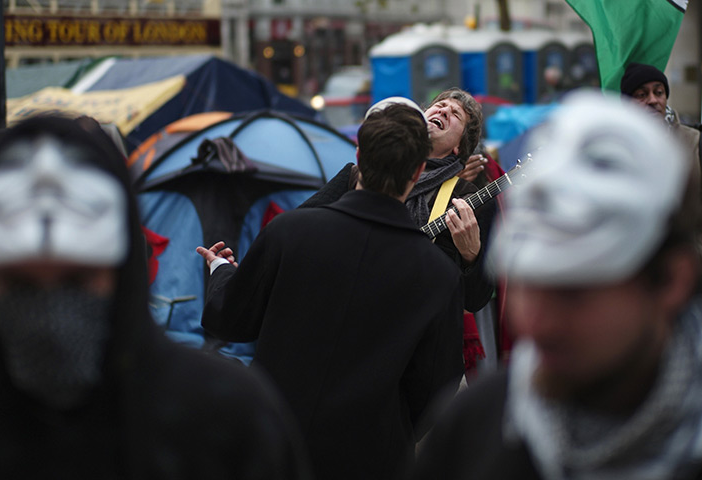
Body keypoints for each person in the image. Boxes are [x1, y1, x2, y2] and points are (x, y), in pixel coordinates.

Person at [0, 115, 311, 479]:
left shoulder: (223, 413)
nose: (50, 314)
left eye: (78, 278)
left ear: (123, 269)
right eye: (19, 283)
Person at [411, 91, 702, 479]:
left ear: (671, 281)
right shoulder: (472, 425)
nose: (536, 322)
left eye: (572, 292)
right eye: (529, 284)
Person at [199, 103, 464, 480]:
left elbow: (229, 320)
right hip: (372, 457)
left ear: (357, 157)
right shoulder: (438, 274)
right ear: (419, 170)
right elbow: (438, 387)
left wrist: (220, 270)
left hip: (274, 443)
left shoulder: (289, 232)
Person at [300, 89, 496, 314]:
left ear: (459, 147)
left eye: (455, 114)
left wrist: (472, 256)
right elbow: (305, 228)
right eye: (439, 105)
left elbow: (474, 300)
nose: (443, 110)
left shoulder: (468, 199)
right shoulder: (358, 173)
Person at [620, 62, 701, 189]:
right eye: (642, 95)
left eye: (658, 92)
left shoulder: (695, 141)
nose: (653, 100)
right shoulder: (616, 147)